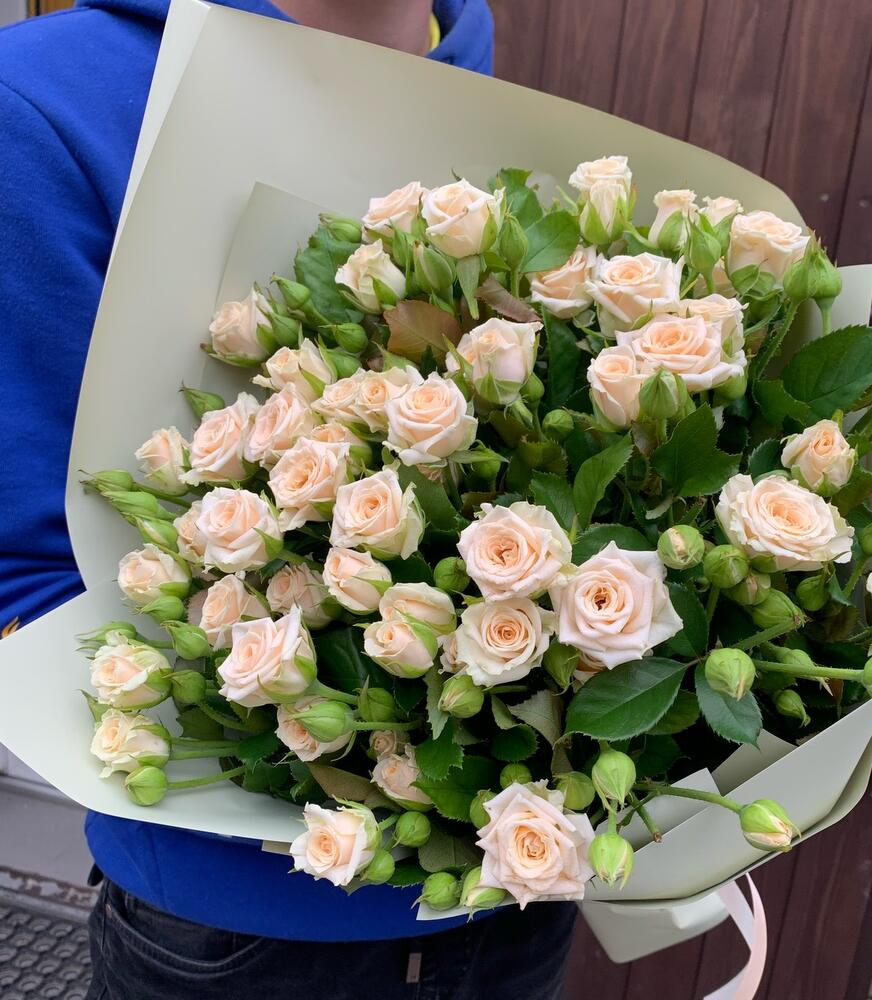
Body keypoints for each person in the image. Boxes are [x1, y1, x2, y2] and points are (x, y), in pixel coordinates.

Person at [0, 2, 579, 997]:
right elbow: (32, 563)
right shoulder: (46, 99)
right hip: (236, 928)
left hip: (518, 896)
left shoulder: (473, 66)